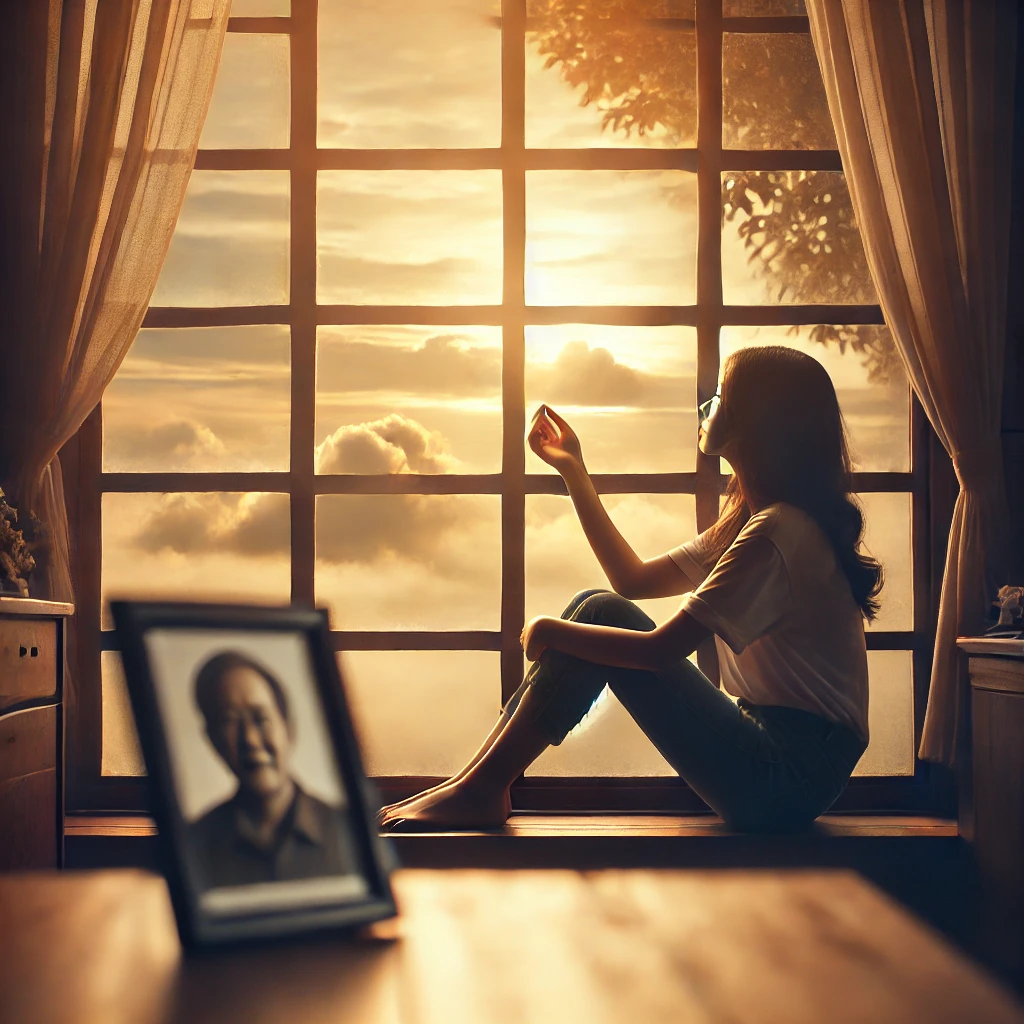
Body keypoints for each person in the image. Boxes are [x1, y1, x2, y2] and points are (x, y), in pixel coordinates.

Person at [379, 345, 882, 834]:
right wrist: (573, 468)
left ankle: (480, 789)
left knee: (596, 614)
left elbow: (662, 649)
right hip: (784, 762)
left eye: (722, 398)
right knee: (598, 607)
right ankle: (478, 783)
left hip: (786, 775)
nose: (708, 410)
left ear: (758, 423)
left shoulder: (778, 531)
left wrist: (553, 632)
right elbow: (634, 580)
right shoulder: (758, 521)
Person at [187, 650, 361, 888]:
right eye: (230, 720)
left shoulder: (349, 832)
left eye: (261, 718)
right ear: (213, 740)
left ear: (288, 727)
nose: (249, 739)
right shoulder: (194, 845)